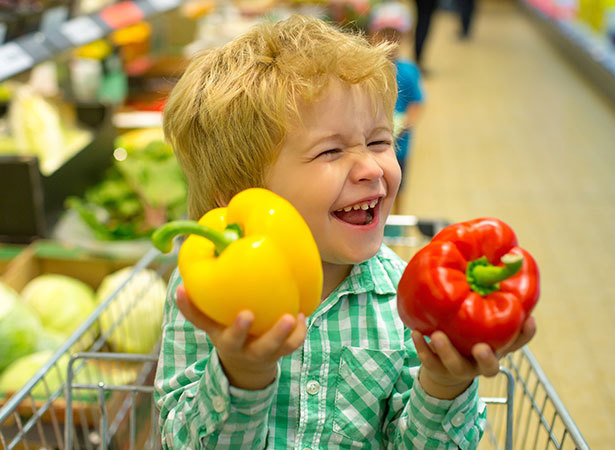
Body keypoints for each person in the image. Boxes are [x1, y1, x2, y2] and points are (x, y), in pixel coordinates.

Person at [155, 15, 536, 449]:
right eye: (331, 150)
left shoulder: (405, 299)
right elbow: (180, 440)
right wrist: (241, 375)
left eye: (379, 141)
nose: (372, 169)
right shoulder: (206, 293)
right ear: (243, 192)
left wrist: (443, 384)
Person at [369, 2, 425, 213]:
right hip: (371, 144)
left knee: (396, 186)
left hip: (399, 146)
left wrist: (403, 125)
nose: (389, 40)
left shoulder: (409, 71)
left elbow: (417, 103)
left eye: (395, 35)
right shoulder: (369, 67)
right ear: (374, 34)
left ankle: (396, 221)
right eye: (385, 33)